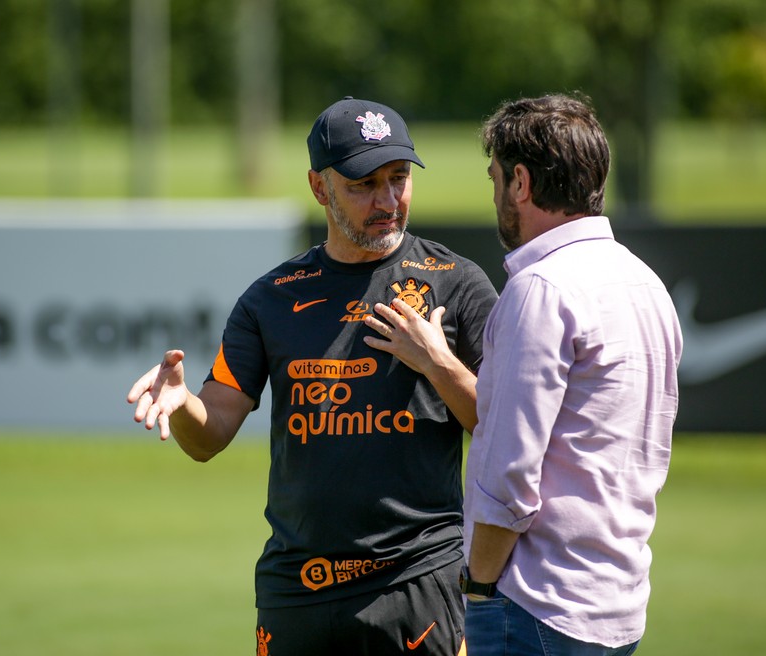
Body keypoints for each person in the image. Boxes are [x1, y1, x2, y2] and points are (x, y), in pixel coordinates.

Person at [127, 96, 498, 656]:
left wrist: (436, 362)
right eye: (363, 184)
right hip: (295, 592)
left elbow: (503, 425)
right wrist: (182, 405)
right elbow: (210, 435)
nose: (388, 200)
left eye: (399, 179)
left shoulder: (457, 283)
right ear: (319, 187)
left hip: (417, 583)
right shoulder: (270, 299)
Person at [459, 93, 683, 656]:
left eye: (495, 179)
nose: (495, 197)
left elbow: (509, 477)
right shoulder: (646, 283)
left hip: (536, 604)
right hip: (618, 603)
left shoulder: (541, 288)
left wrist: (478, 585)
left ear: (521, 183)